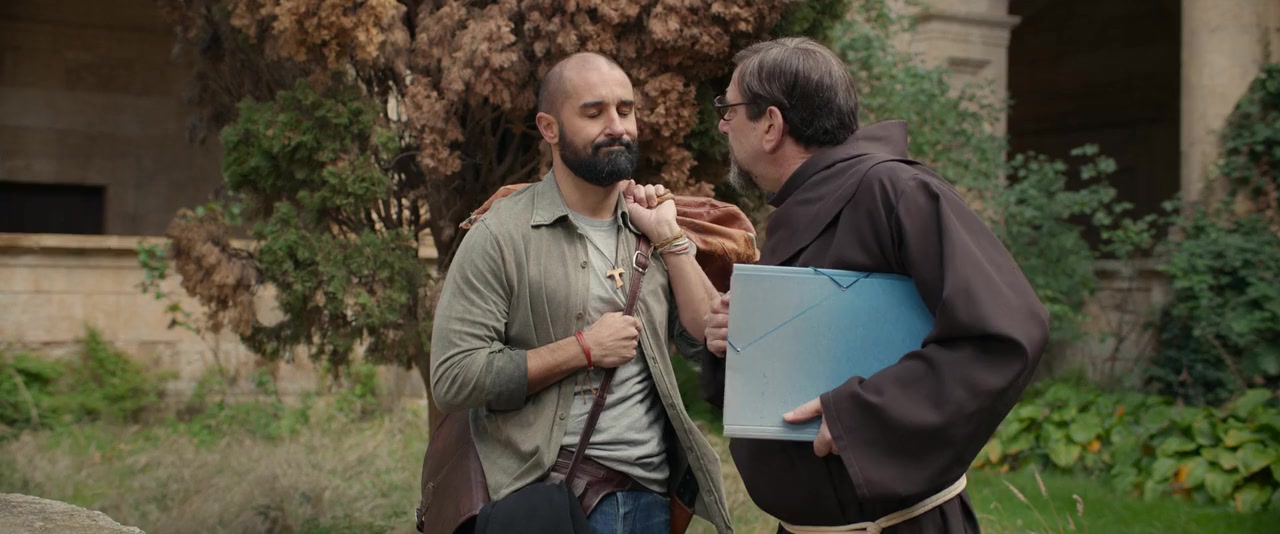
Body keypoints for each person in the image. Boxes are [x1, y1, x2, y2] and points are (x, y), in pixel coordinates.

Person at [701, 37, 1051, 533]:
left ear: (772, 125)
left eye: (729, 109)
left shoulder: (896, 191)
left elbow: (1006, 332)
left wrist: (861, 416)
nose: (722, 124)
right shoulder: (802, 206)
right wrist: (736, 337)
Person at [429, 52, 733, 534]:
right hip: (554, 503)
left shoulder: (650, 228)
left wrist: (671, 239)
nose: (617, 127)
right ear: (549, 128)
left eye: (626, 110)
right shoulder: (501, 235)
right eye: (594, 113)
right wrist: (583, 350)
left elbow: (706, 340)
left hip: (652, 501)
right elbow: (454, 377)